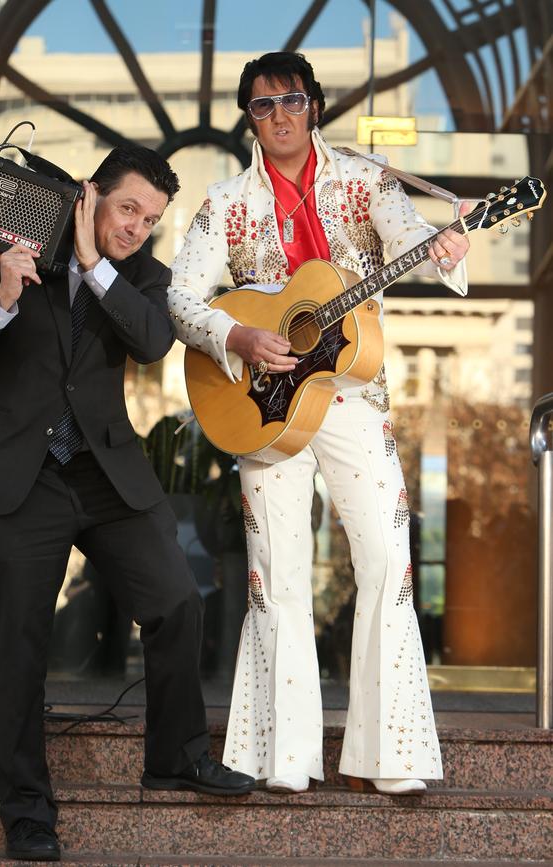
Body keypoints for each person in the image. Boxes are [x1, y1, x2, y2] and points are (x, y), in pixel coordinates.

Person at [0, 143, 254, 863]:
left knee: (176, 599)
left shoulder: (141, 276)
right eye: (127, 207)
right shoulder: (14, 255)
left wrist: (93, 263)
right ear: (90, 196)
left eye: (150, 217)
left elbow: (149, 342)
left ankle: (175, 755)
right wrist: (2, 298)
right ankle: (26, 809)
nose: (137, 226)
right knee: (19, 643)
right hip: (19, 475)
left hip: (103, 473)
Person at [168, 52, 471, 795]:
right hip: (261, 404)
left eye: (292, 101)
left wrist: (446, 246)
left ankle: (391, 755)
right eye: (263, 106)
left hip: (353, 397)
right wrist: (238, 337)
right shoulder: (223, 202)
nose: (279, 116)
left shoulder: (367, 182)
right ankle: (282, 759)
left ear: (315, 107)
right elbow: (179, 298)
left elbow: (407, 240)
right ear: (248, 117)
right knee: (277, 578)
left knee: (388, 563)